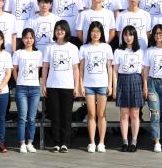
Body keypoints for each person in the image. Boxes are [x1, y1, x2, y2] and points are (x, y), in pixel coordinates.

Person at [46, 21, 82, 153]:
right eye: (57, 29)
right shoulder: (50, 47)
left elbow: (76, 69)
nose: (59, 32)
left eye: (62, 29)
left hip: (67, 86)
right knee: (55, 116)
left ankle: (65, 143)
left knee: (66, 116)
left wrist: (76, 86)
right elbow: (45, 67)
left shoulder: (73, 48)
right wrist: (44, 84)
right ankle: (56, 142)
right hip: (52, 86)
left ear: (66, 31)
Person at [79, 22, 114, 153]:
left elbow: (109, 68)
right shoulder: (84, 48)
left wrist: (110, 85)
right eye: (93, 31)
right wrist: (81, 85)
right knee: (91, 114)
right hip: (88, 85)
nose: (95, 34)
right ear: (89, 33)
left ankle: (101, 142)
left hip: (102, 85)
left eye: (98, 32)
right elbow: (81, 69)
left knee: (101, 114)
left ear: (101, 33)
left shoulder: (106, 47)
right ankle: (92, 142)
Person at [113, 27, 148, 152]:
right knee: (124, 114)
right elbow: (115, 71)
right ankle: (124, 141)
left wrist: (145, 86)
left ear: (135, 36)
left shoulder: (141, 52)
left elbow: (144, 71)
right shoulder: (118, 51)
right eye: (126, 35)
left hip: (136, 80)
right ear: (122, 37)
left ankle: (134, 141)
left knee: (135, 114)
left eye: (131, 35)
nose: (128, 37)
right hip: (122, 81)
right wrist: (114, 88)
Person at [13, 28, 46, 153]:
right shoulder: (18, 53)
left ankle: (30, 143)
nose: (28, 40)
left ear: (34, 39)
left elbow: (39, 71)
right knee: (22, 117)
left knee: (32, 118)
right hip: (21, 88)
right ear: (22, 39)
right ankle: (22, 143)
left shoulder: (38, 54)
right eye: (26, 37)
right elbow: (14, 70)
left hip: (34, 88)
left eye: (31, 38)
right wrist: (18, 81)